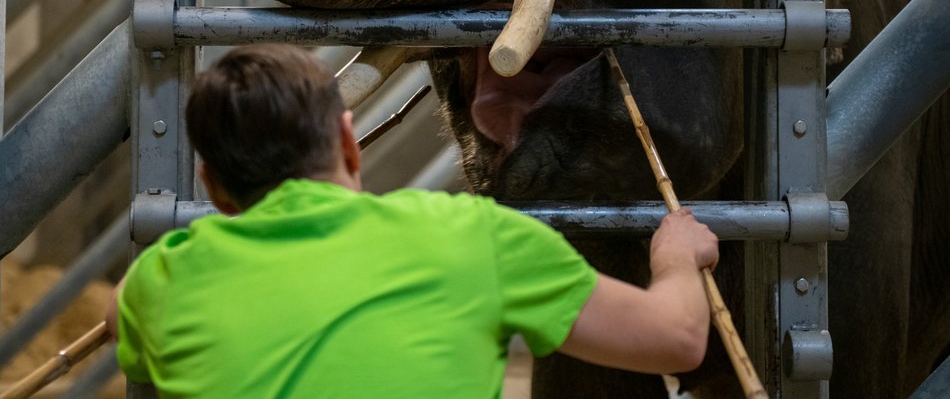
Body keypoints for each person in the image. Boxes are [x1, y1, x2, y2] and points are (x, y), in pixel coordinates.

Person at [106, 43, 718, 398]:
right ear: (349, 145)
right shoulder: (473, 236)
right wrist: (675, 257)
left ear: (211, 185)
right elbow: (679, 340)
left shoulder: (163, 281)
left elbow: (118, 318)